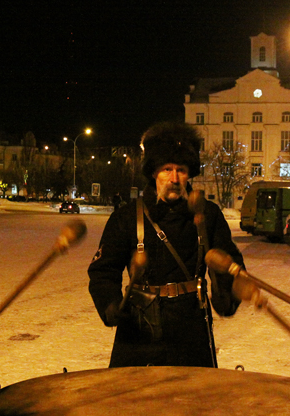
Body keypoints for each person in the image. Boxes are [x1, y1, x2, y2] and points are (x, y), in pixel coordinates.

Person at [88, 121, 244, 367]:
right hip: (139, 328)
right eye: (166, 169)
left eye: (181, 170)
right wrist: (110, 303)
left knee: (192, 391)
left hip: (191, 327)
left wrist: (226, 295)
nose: (174, 178)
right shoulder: (127, 217)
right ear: (153, 172)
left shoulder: (208, 214)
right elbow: (103, 270)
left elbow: (229, 262)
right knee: (133, 391)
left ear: (189, 173)